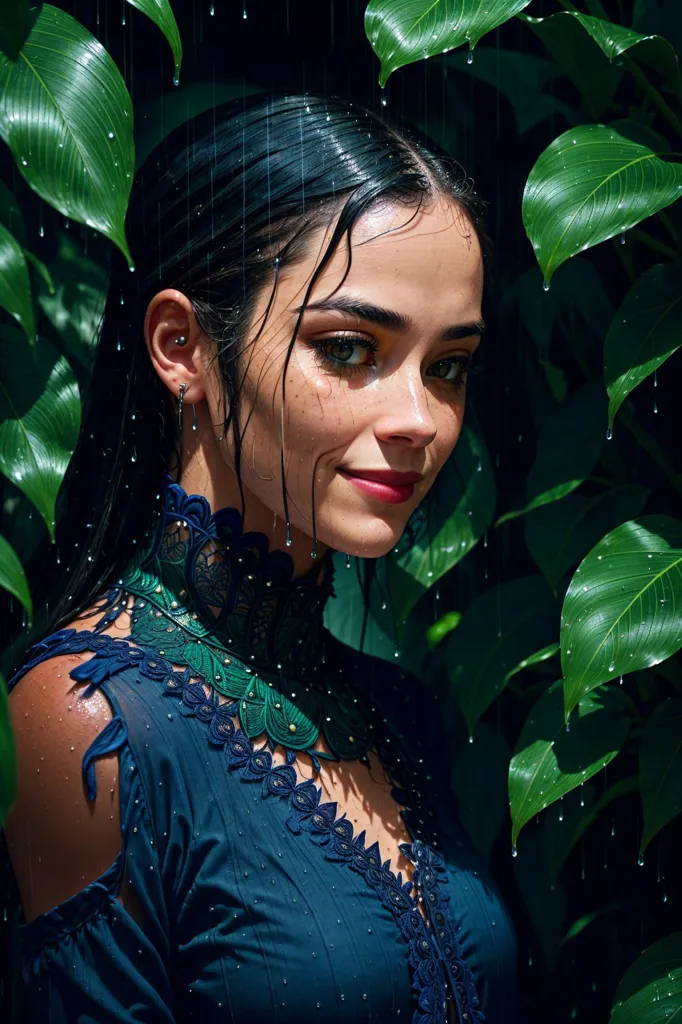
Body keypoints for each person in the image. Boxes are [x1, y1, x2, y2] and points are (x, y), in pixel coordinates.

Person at [0, 92, 526, 1023]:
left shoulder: (396, 711)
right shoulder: (87, 722)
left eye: (447, 364)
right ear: (183, 346)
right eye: (351, 348)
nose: (420, 419)